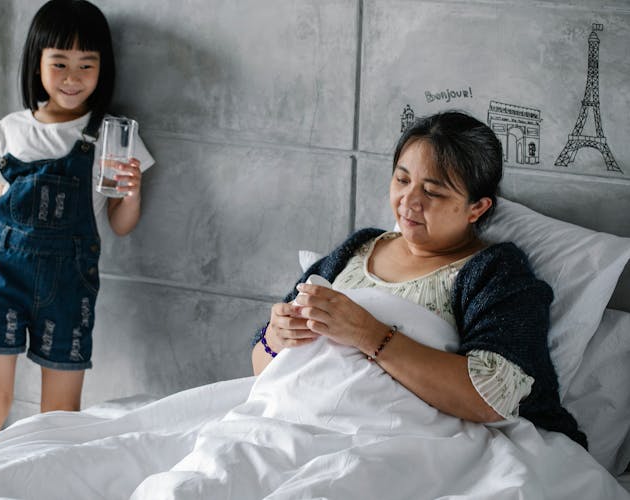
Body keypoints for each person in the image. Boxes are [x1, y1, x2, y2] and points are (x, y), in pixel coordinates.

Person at [251, 110, 586, 447]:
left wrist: (368, 334)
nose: (409, 201)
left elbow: (493, 394)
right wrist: (276, 338)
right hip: (297, 422)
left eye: (433, 193)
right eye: (402, 180)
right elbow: (262, 368)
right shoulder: (357, 249)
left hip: (402, 441)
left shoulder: (495, 272)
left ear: (477, 208)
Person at [0, 0, 155, 459]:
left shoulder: (113, 136)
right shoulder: (11, 129)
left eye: (87, 64)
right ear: (36, 63)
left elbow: (121, 226)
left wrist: (133, 191)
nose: (73, 76)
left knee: (60, 415)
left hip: (68, 284)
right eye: (59, 63)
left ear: (103, 68)